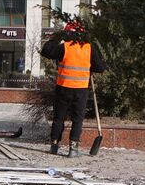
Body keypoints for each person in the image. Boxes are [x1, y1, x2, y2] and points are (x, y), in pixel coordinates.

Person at [40, 19, 107, 157]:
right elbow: (100, 68)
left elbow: (46, 51)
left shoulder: (65, 47)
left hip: (63, 88)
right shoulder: (89, 48)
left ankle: (54, 145)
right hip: (81, 90)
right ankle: (73, 149)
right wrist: (91, 66)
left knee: (59, 118)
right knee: (78, 119)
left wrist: (55, 38)